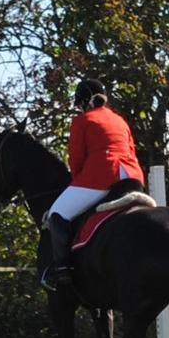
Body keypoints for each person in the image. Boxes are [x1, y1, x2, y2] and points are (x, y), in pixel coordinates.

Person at [41, 77, 145, 290]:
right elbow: (131, 149)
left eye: (80, 104)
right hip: (133, 175)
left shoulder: (82, 121)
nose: (79, 109)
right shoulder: (119, 120)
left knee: (56, 214)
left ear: (85, 101)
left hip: (102, 174)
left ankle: (62, 270)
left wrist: (78, 181)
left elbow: (76, 158)